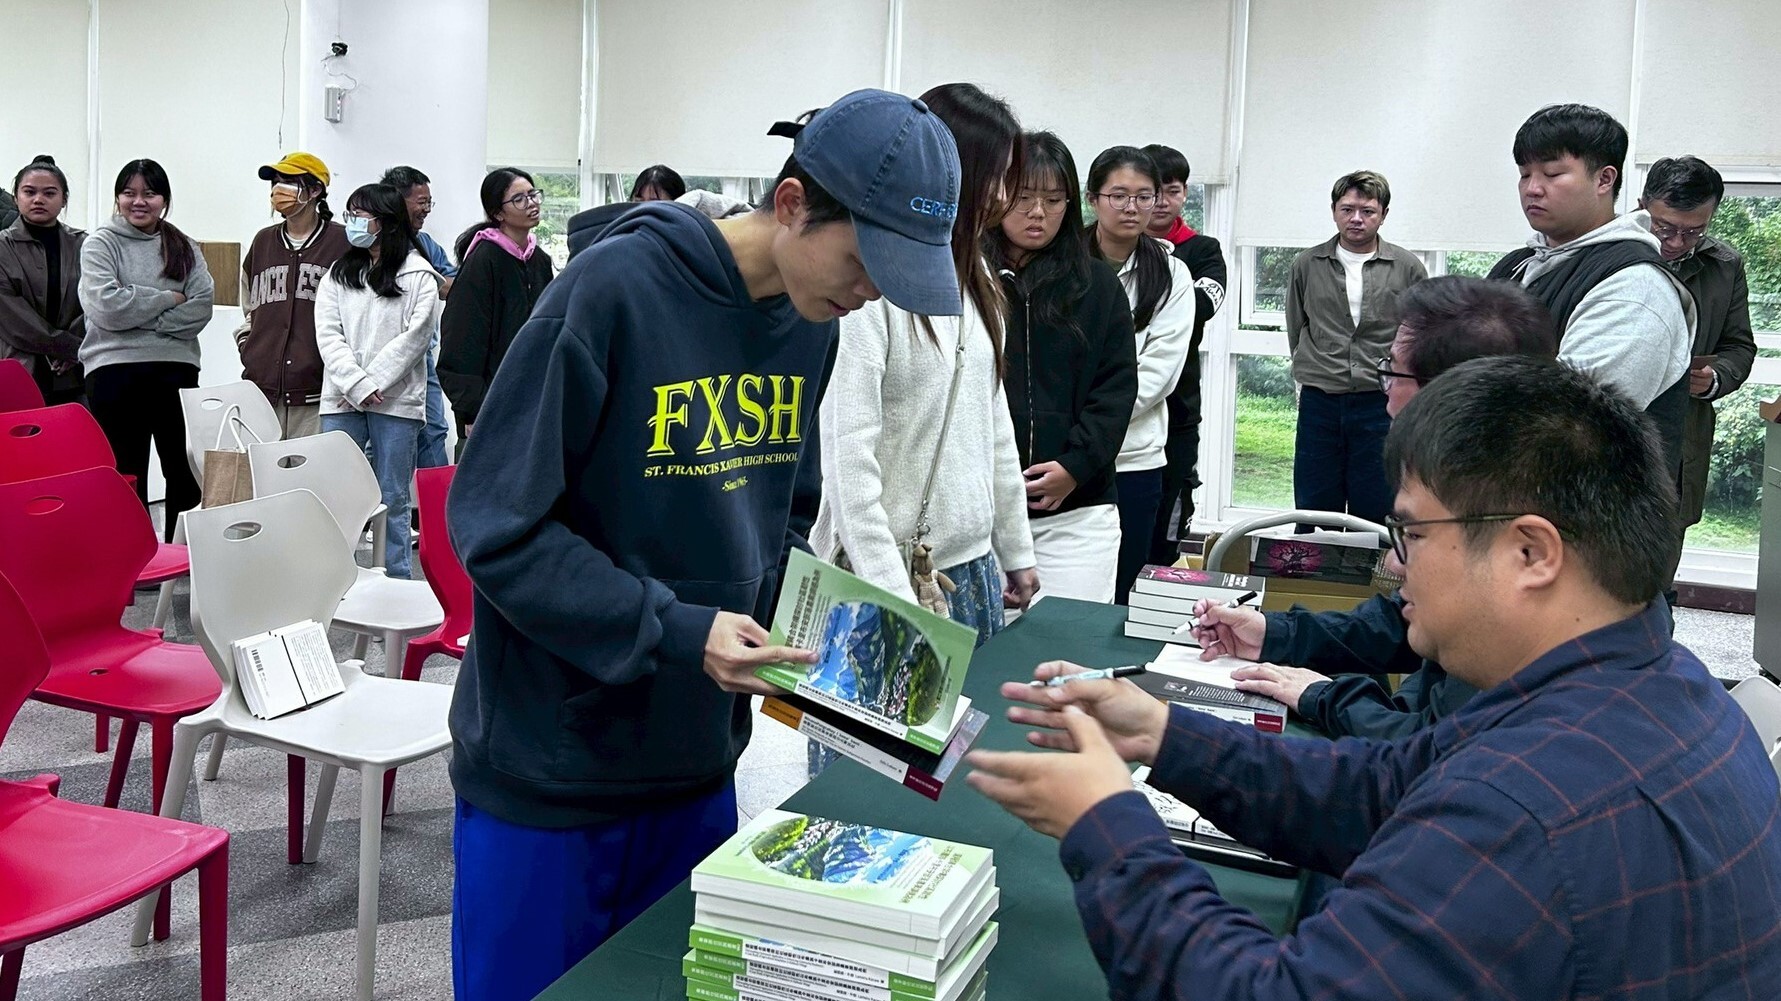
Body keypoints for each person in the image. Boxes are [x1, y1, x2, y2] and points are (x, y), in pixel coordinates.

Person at [968, 355, 1781, 999]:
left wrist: (1107, 825)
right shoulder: (1659, 682)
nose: (1393, 568)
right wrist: (1163, 733)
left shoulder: (1524, 807)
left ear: (1530, 553)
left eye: (1410, 533)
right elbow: (1386, 788)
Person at [444, 89, 963, 999]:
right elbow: (497, 526)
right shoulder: (612, 292)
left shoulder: (814, 324)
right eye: (864, 259)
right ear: (794, 203)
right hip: (554, 765)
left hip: (693, 761)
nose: (870, 290)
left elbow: (784, 515)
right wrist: (679, 631)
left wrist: (830, 661)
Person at [1193, 277, 1557, 739]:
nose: (1381, 384)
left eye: (1391, 369)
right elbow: (1402, 623)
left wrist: (1321, 695)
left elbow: (1430, 747)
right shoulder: (1485, 471)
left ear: (1450, 392)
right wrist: (1274, 634)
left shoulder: (1505, 525)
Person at [810, 82, 1038, 642]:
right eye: (995, 173)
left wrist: (1016, 546)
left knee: (973, 733)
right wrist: (892, 595)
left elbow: (993, 427)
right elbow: (847, 461)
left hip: (969, 570)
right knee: (874, 734)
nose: (1004, 195)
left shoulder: (980, 282)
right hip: (877, 576)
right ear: (943, 166)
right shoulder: (869, 286)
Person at [1488, 104, 1693, 479]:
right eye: (1524, 174)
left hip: (1586, 519)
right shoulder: (1515, 267)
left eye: (1552, 173)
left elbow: (1568, 423)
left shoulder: (1635, 287)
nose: (1532, 188)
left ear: (1604, 180)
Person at [988, 131, 1136, 605]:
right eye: (1024, 197)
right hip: (983, 514)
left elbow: (1115, 391)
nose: (1037, 212)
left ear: (1070, 204)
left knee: (1071, 658)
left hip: (1079, 513)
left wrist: (1075, 466)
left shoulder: (1096, 284)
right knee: (985, 661)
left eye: (1052, 200)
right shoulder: (969, 278)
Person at [77, 159, 213, 542]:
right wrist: (169, 298)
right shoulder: (100, 243)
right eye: (129, 193)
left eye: (149, 193)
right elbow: (105, 306)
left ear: (164, 200)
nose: (139, 201)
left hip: (176, 370)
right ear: (118, 198)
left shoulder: (182, 245)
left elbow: (202, 305)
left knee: (182, 470)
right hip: (114, 371)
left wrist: (139, 316)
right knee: (126, 470)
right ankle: (133, 557)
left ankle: (180, 557)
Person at [1285, 170, 1427, 527]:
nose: (1356, 219)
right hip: (1321, 398)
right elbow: (1296, 326)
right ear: (1334, 211)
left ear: (1383, 214)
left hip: (1379, 401)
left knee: (1377, 497)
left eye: (1367, 211)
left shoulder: (1407, 267)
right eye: (1347, 209)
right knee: (1315, 499)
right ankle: (1314, 579)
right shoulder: (1307, 264)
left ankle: (1369, 578)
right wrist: (1307, 372)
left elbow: (1421, 333)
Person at [1084, 146, 1194, 602]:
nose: (1132, 207)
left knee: (1124, 590)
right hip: (1060, 458)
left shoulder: (1170, 274)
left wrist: (1090, 425)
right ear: (1093, 198)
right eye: (1119, 195)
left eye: (1143, 196)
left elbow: (1157, 375)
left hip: (1133, 458)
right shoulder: (1058, 264)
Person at [1639, 156, 1756, 585]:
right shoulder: (1611, 254)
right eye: (1664, 227)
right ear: (1642, 205)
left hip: (1681, 438)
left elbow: (1740, 346)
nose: (1675, 242)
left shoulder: (1725, 265)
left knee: (1658, 573)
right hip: (1615, 428)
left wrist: (1714, 379)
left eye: (1693, 231)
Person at [314, 184, 439, 578]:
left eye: (359, 215)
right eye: (348, 214)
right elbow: (328, 334)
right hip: (341, 398)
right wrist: (356, 383)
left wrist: (374, 381)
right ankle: (339, 577)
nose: (351, 223)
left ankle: (396, 576)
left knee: (394, 495)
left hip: (397, 400)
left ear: (385, 222)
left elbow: (416, 339)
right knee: (339, 493)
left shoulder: (419, 274)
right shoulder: (338, 273)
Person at [1141, 143, 1227, 564]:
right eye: (1149, 191)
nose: (1159, 202)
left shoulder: (1203, 250)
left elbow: (1202, 308)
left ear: (1184, 193)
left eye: (1170, 191)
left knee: (1167, 514)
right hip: (1111, 414)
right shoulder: (1102, 251)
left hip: (1177, 408)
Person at [437, 167, 555, 450]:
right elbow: (461, 343)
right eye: (519, 199)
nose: (531, 203)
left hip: (531, 401)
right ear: (498, 213)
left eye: (533, 194)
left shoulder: (539, 260)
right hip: (486, 407)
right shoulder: (484, 259)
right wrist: (473, 409)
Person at [239, 152, 349, 438]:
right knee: (262, 480)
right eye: (275, 182)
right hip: (261, 392)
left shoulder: (342, 243)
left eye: (288, 181)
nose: (278, 190)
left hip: (316, 396)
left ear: (314, 191)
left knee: (310, 480)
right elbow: (249, 305)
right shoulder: (263, 241)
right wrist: (248, 346)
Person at [381, 164, 458, 470]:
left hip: (421, 359)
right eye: (421, 202)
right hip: (378, 360)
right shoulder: (370, 244)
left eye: (429, 202)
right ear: (398, 201)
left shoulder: (426, 246)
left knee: (434, 432)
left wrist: (430, 281)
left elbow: (453, 286)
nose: (426, 210)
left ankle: (435, 517)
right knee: (378, 443)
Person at [0, 155, 86, 405]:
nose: (38, 199)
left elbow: (95, 302)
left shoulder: (85, 245)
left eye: (49, 193)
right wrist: (69, 346)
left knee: (75, 441)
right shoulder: (3, 247)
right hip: (18, 369)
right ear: (16, 197)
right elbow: (12, 318)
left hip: (75, 373)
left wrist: (77, 345)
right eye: (29, 192)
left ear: (64, 200)